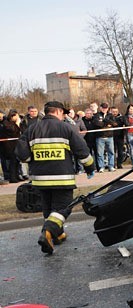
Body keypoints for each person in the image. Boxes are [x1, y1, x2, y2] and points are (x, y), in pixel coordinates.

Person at [15, 101, 95, 255]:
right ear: (58, 112)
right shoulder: (66, 128)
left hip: (39, 179)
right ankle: (47, 231)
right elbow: (82, 151)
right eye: (63, 113)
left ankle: (56, 235)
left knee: (49, 208)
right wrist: (90, 167)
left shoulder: (32, 129)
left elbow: (21, 153)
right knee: (62, 208)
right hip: (62, 178)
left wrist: (31, 160)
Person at [0, 110, 23, 183]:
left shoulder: (13, 123)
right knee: (12, 162)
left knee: (16, 161)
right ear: (12, 116)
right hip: (9, 145)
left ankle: (16, 175)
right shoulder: (7, 123)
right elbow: (12, 131)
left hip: (15, 144)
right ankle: (12, 177)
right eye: (16, 116)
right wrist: (17, 124)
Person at [94, 103, 116, 172]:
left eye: (106, 108)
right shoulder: (97, 115)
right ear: (100, 108)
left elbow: (114, 123)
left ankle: (111, 166)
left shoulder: (110, 115)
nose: (104, 109)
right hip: (100, 137)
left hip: (109, 136)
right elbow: (97, 124)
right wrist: (106, 124)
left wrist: (106, 122)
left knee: (111, 152)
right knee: (100, 153)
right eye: (103, 108)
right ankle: (101, 167)